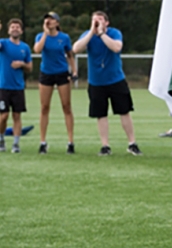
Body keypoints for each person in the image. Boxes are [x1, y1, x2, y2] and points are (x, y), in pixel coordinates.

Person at [73, 11, 142, 156]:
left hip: (116, 80)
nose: (97, 22)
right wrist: (92, 32)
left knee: (124, 111)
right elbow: (76, 49)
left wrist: (102, 34)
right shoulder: (88, 35)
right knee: (101, 114)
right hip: (96, 82)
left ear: (107, 22)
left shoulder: (114, 33)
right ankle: (105, 145)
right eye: (94, 20)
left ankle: (132, 143)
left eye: (100, 19)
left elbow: (116, 47)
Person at [33, 11, 78, 154]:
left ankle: (70, 142)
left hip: (61, 73)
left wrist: (74, 71)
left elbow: (70, 55)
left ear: (57, 23)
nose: (49, 21)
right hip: (46, 74)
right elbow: (37, 50)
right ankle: (43, 142)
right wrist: (45, 34)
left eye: (52, 19)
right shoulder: (41, 36)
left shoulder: (64, 37)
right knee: (44, 107)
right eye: (47, 19)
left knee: (66, 106)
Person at [0, 19, 33, 153]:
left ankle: (16, 144)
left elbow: (30, 67)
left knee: (17, 116)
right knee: (4, 116)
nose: (15, 29)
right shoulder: (3, 44)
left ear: (21, 31)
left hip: (18, 87)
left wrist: (22, 64)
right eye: (12, 27)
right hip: (3, 86)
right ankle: (1, 140)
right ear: (8, 30)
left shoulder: (25, 48)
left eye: (17, 27)